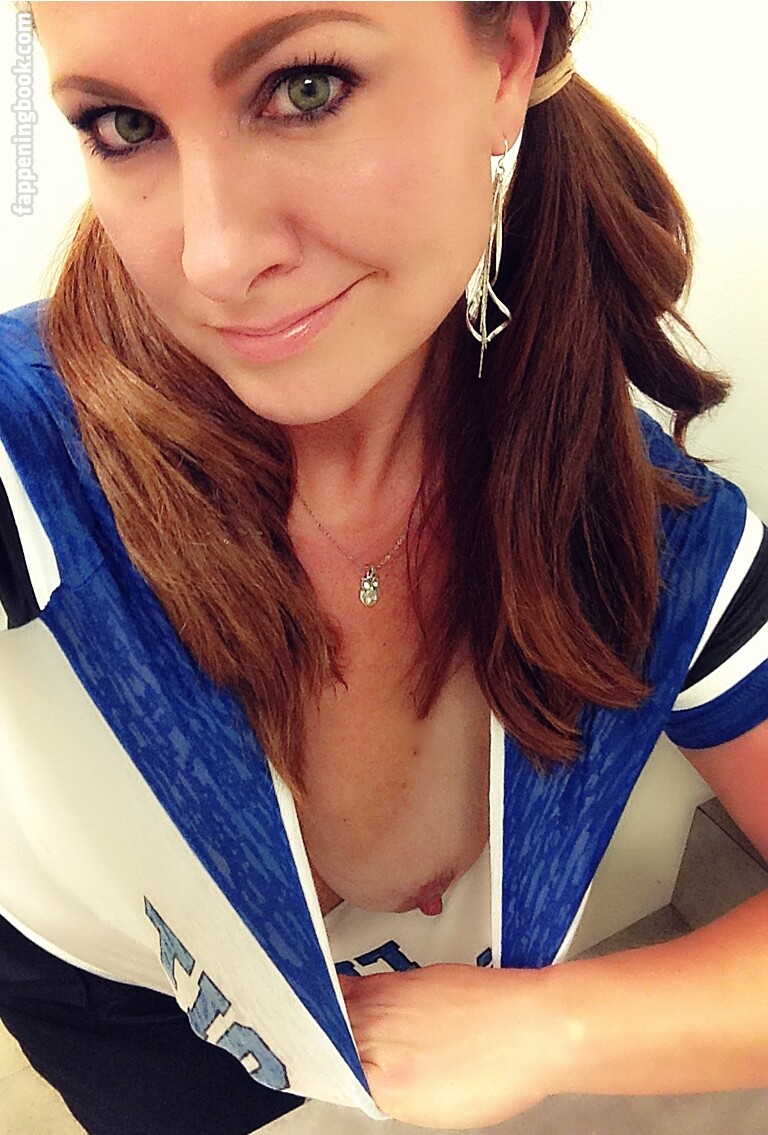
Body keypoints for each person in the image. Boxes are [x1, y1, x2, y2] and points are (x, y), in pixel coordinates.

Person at [1, 2, 766, 1133]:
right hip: (117, 995)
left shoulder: (649, 535)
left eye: (305, 88)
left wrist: (561, 1026)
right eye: (123, 125)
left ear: (508, 59)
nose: (215, 260)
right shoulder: (29, 454)